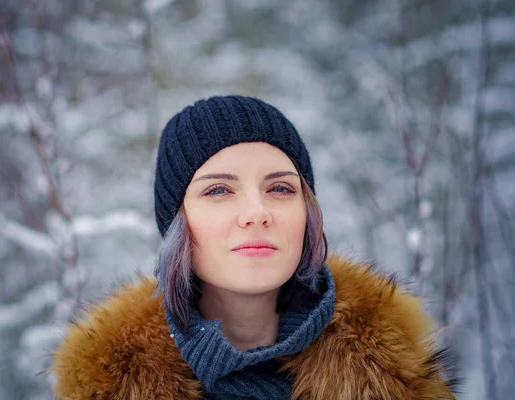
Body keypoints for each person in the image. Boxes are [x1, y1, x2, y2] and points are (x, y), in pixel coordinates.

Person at [50, 95, 458, 399]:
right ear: (178, 223)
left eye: (280, 187)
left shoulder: (403, 376)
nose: (257, 212)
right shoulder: (106, 387)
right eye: (218, 190)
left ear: (307, 214)